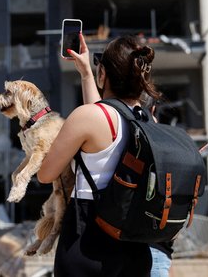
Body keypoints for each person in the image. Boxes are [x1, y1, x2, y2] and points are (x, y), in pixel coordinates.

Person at [37, 33, 159, 276]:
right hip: (134, 252)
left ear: (103, 73)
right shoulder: (148, 120)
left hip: (88, 245)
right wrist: (86, 74)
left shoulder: (87, 117)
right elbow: (105, 115)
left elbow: (46, 174)